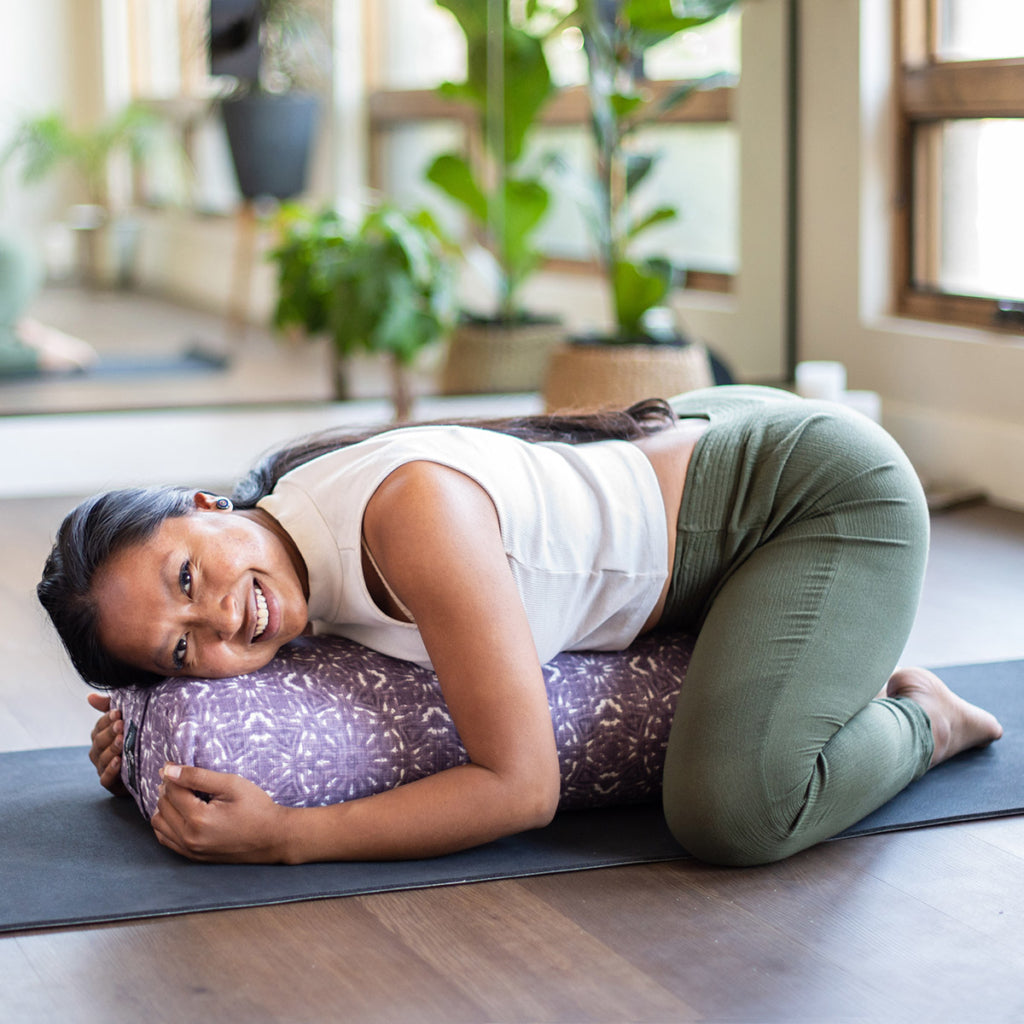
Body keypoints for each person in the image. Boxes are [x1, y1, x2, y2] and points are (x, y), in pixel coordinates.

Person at [38, 386, 1003, 866]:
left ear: (205, 502)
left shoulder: (405, 520)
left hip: (802, 497)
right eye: (178, 648)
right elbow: (254, 680)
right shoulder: (288, 537)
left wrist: (292, 836)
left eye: (186, 573)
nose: (217, 617)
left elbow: (521, 786)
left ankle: (926, 716)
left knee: (733, 814)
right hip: (683, 466)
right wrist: (147, 734)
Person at [0, 235, 98, 376]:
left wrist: (36, 357)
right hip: (16, 255)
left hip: (10, 261)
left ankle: (43, 350)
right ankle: (30, 339)